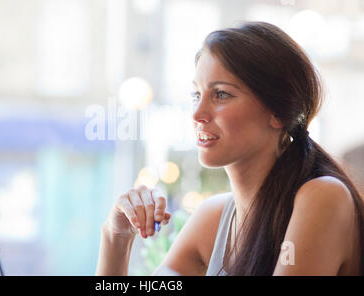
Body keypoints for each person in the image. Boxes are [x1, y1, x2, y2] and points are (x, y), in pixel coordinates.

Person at [96, 21, 364, 276]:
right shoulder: (213, 219)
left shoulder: (322, 197)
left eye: (221, 94)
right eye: (196, 95)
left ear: (278, 113)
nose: (197, 114)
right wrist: (115, 236)